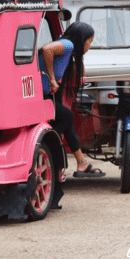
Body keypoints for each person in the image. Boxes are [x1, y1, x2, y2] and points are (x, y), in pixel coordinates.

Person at [40, 22, 105, 188]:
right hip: (40, 96)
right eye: (89, 41)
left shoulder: (69, 51)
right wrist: (52, 79)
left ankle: (81, 162)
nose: (90, 46)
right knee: (67, 116)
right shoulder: (67, 45)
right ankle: (49, 150)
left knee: (66, 119)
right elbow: (47, 49)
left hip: (46, 95)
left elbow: (79, 72)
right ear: (81, 39)